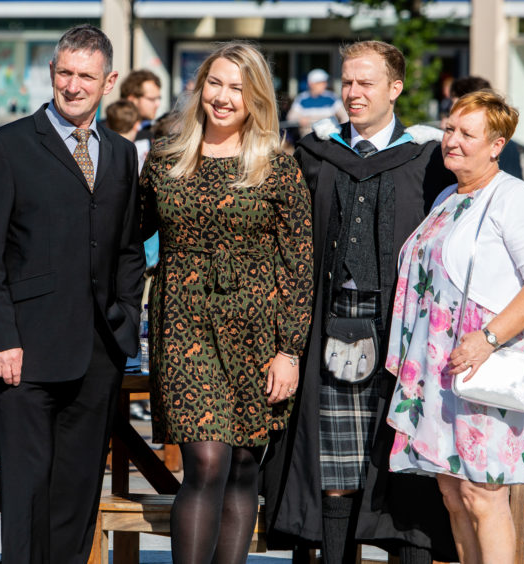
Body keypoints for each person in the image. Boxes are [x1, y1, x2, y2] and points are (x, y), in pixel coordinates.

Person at [262, 40, 458, 564]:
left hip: (404, 331)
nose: (352, 93)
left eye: (366, 83)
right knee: (335, 469)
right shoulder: (314, 152)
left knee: (404, 463)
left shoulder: (429, 159)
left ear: (395, 89)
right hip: (328, 324)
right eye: (348, 82)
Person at [0, 24, 145, 563]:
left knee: (76, 491)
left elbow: (129, 248)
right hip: (25, 351)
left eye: (85, 76)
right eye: (64, 72)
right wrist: (1, 338)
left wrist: (126, 321)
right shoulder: (7, 146)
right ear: (51, 73)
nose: (73, 85)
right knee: (25, 491)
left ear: (108, 81)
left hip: (99, 351)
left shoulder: (120, 153)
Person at [139, 42, 314, 563]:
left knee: (242, 465)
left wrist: (289, 351)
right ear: (199, 87)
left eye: (237, 87)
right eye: (215, 83)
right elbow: (129, 239)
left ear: (255, 96)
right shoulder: (165, 157)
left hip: (257, 330)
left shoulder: (278, 166)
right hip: (183, 325)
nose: (223, 96)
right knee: (206, 461)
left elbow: (299, 265)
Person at [385, 90, 524, 563]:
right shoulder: (447, 196)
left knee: (484, 495)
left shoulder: (514, 197)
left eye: (468, 133)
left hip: (481, 364)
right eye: (449, 129)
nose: (453, 141)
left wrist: (487, 339)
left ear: (497, 144)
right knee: (453, 493)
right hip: (438, 366)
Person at [448, 76, 523, 181]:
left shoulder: (508, 193)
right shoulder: (449, 193)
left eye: (466, 134)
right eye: (450, 129)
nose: (450, 142)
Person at [286, 68, 349, 138]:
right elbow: (291, 118)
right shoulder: (301, 99)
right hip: (308, 139)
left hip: (330, 139)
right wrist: (299, 120)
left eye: (324, 82)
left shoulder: (332, 98)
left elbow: (345, 116)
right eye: (320, 83)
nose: (325, 85)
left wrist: (341, 131)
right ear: (311, 84)